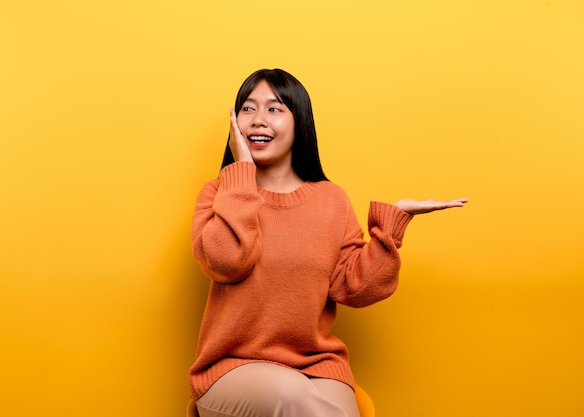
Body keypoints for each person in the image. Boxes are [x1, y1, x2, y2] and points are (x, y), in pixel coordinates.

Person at [188, 68, 467, 417]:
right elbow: (227, 262)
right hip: (231, 368)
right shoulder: (218, 194)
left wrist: (392, 226)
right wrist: (242, 174)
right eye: (248, 109)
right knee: (291, 396)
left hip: (315, 366)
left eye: (274, 109)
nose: (258, 120)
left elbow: (355, 288)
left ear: (299, 122)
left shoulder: (331, 200)